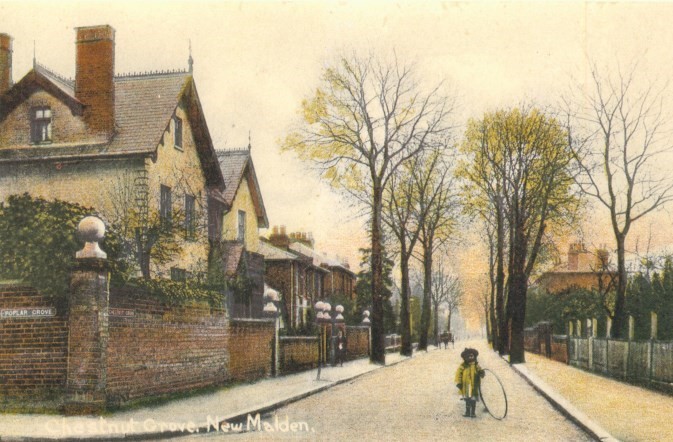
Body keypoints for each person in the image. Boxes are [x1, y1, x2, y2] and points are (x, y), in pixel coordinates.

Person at [455, 347, 485, 418]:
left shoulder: (476, 365)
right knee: (467, 400)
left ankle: (473, 412)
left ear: (474, 357)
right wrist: (459, 382)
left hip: (474, 386)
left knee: (473, 400)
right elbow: (458, 374)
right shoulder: (463, 366)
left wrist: (481, 373)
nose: (470, 357)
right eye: (468, 356)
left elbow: (480, 372)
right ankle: (467, 412)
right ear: (465, 358)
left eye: (472, 356)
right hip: (466, 386)